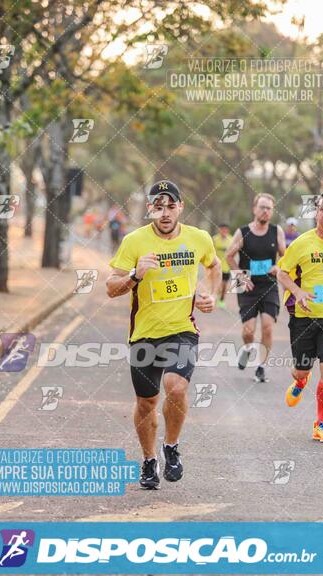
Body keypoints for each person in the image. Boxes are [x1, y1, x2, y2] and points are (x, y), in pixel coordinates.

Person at [106, 180, 221, 489]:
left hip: (182, 330)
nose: (166, 212)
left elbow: (214, 264)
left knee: (176, 387)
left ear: (181, 207)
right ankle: (149, 459)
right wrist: (134, 275)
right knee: (147, 403)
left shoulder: (199, 238)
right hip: (144, 336)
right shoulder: (134, 242)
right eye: (159, 206)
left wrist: (210, 294)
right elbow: (111, 288)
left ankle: (171, 446)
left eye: (171, 206)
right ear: (150, 210)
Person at [277, 190, 323, 443]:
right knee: (301, 370)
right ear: (316, 213)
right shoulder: (301, 243)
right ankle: (301, 380)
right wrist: (297, 292)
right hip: (304, 317)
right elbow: (282, 272)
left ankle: (320, 423)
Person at [226, 193, 286, 382]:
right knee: (248, 331)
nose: (265, 211)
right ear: (254, 209)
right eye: (262, 207)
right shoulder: (243, 232)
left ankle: (261, 366)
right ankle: (247, 349)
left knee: (267, 327)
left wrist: (279, 266)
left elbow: (285, 256)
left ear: (272, 211)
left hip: (268, 285)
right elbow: (228, 256)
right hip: (247, 285)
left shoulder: (277, 231)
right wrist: (241, 277)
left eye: (269, 208)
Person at [212, 223, 233, 308]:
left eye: (225, 230)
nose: (223, 231)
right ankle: (214, 298)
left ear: (227, 231)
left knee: (224, 286)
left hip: (227, 267)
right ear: (219, 230)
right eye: (222, 229)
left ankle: (222, 300)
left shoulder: (231, 239)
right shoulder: (214, 239)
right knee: (218, 285)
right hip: (217, 267)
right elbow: (211, 252)